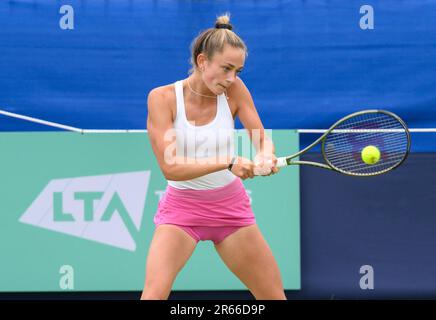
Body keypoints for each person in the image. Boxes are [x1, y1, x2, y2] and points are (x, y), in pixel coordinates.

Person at [141, 13, 286, 300]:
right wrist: (228, 162)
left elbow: (260, 138)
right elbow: (171, 168)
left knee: (272, 296)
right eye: (226, 68)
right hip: (181, 210)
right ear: (202, 61)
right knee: (154, 295)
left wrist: (266, 155)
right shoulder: (163, 98)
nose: (231, 78)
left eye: (238, 71)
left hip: (230, 208)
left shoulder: (235, 91)